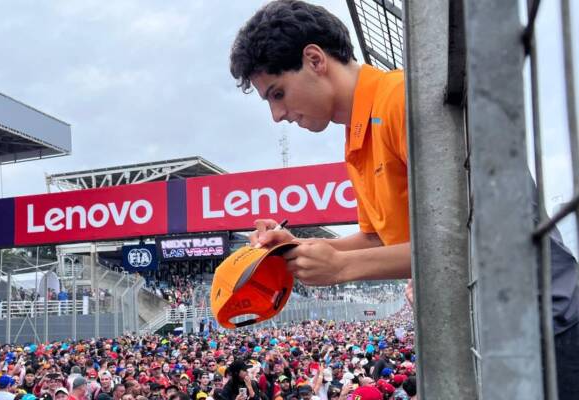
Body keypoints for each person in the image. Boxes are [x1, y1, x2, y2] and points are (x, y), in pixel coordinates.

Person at [232, 1, 579, 397]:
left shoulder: (400, 101)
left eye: (278, 93)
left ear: (314, 59)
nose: (277, 114)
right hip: (505, 325)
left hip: (548, 321)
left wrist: (342, 267)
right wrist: (298, 247)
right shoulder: (358, 133)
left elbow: (466, 241)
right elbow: (381, 238)